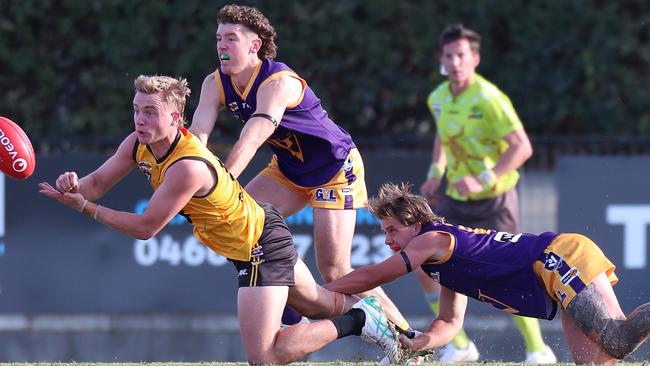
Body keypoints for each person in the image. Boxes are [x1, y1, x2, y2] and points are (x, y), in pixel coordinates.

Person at [38, 75, 403, 365]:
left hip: (260, 246)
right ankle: (384, 326)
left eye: (150, 111)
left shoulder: (187, 167)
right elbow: (97, 184)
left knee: (263, 356)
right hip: (263, 231)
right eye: (136, 110)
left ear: (175, 118)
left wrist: (86, 208)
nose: (140, 120)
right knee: (322, 303)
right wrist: (75, 185)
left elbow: (146, 228)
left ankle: (361, 322)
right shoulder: (138, 143)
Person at [189, 4, 409, 330]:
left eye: (231, 38)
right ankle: (292, 314)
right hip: (289, 171)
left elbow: (255, 134)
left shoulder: (279, 82)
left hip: (335, 168)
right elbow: (197, 138)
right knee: (235, 226)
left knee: (336, 270)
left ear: (255, 45)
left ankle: (409, 340)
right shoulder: (215, 83)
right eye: (219, 37)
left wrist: (224, 181)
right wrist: (185, 175)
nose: (221, 45)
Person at [325, 182, 650, 364]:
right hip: (559, 263)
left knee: (615, 339)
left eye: (392, 229)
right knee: (597, 363)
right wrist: (422, 342)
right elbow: (450, 322)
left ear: (413, 221)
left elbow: (374, 277)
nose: (387, 239)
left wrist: (319, 293)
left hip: (558, 258)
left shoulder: (432, 239)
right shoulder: (440, 262)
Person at [418, 23, 555, 363]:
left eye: (462, 55)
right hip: (455, 200)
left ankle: (539, 351)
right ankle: (460, 345)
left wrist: (484, 178)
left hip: (494, 202)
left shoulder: (490, 98)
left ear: (475, 59)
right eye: (449, 56)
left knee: (510, 276)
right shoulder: (437, 98)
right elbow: (443, 138)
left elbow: (522, 148)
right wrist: (436, 173)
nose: (455, 62)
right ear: (442, 59)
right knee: (429, 266)